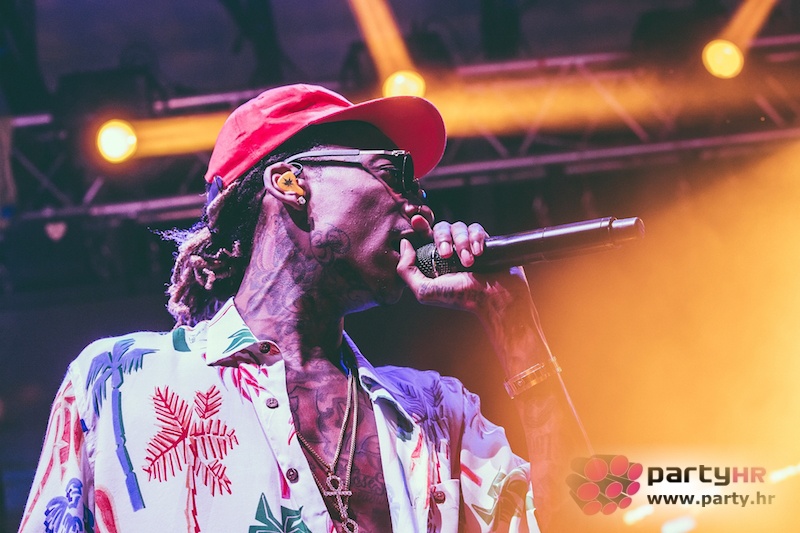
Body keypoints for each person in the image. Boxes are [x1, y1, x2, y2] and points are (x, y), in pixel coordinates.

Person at [19, 84, 583, 533]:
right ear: (290, 182)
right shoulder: (120, 383)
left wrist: (515, 326)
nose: (421, 209)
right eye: (393, 173)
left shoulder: (437, 413)